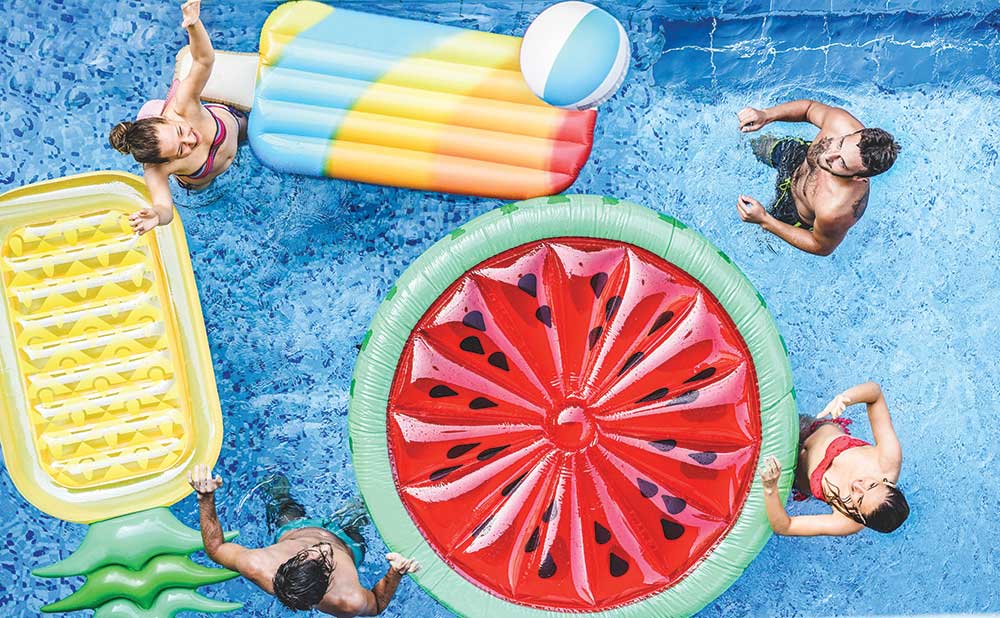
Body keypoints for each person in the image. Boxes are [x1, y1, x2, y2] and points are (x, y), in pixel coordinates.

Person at [189, 464, 420, 616]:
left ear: (288, 563)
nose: (322, 548)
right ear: (327, 584)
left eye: (306, 554)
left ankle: (279, 492)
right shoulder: (348, 600)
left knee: (278, 493)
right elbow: (377, 604)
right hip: (348, 542)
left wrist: (205, 497)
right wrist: (396, 572)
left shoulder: (258, 564)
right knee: (364, 509)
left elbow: (216, 548)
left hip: (295, 528)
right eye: (326, 562)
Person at [108, 1, 247, 235]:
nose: (191, 140)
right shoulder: (155, 169)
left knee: (247, 129)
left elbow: (203, 60)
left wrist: (193, 24)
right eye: (181, 150)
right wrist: (157, 215)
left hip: (233, 126)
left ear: (166, 118)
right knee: (205, 193)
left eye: (181, 131)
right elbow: (165, 207)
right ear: (165, 162)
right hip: (205, 177)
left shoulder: (183, 104)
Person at [735, 100, 901, 256]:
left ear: (858, 178)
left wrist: (765, 220)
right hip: (797, 158)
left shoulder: (837, 209)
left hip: (793, 210)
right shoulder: (840, 123)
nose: (828, 155)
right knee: (754, 144)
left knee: (755, 237)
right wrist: (766, 115)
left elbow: (821, 246)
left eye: (841, 163)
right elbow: (809, 109)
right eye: (840, 144)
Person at [760, 382, 908, 536]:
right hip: (809, 429)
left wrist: (770, 488)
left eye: (859, 499)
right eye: (871, 485)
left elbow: (785, 526)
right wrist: (846, 398)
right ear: (887, 483)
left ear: (860, 516)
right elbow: (875, 394)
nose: (857, 485)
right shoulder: (888, 460)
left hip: (793, 473)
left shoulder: (845, 521)